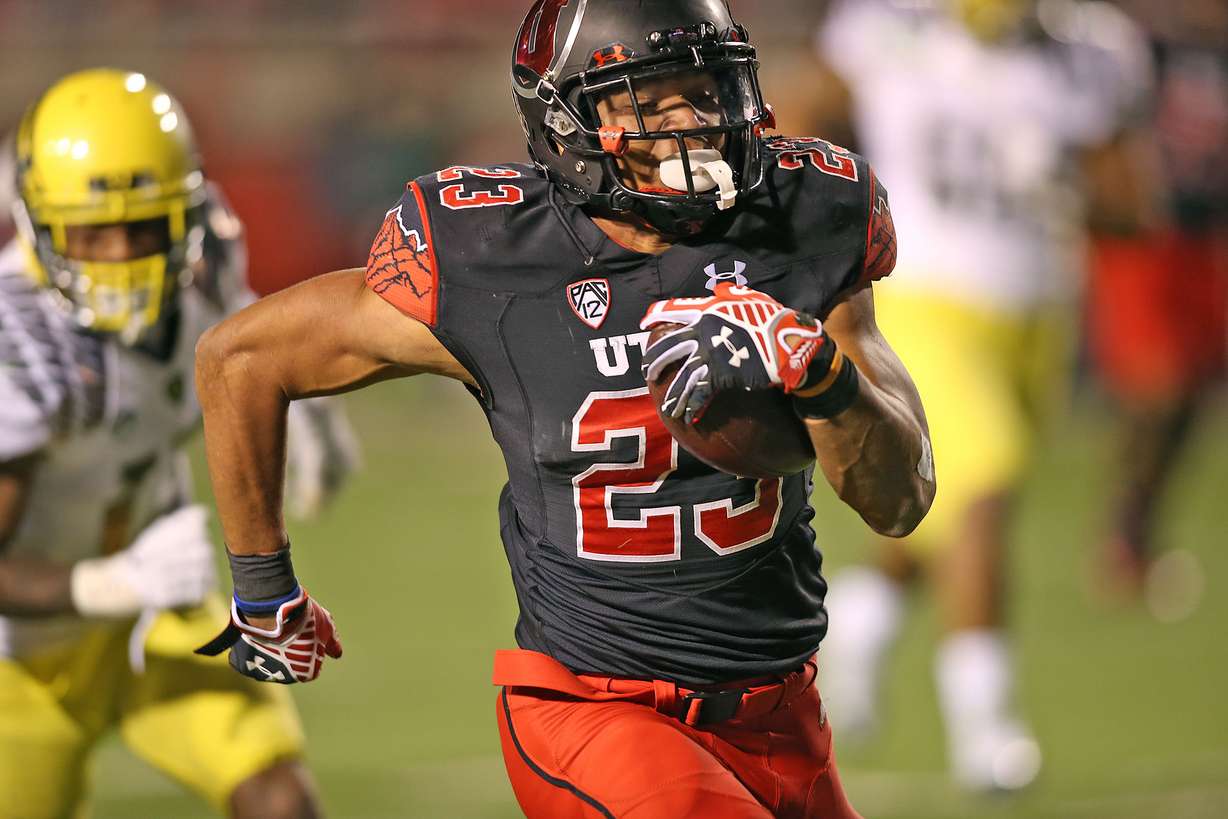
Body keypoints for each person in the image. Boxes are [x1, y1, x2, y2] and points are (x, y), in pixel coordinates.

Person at [193, 2, 934, 816]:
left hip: (783, 710)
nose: (697, 124)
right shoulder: (494, 256)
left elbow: (902, 500)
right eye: (652, 103)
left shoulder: (803, 220)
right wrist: (264, 587)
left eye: (709, 89)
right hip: (597, 710)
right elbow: (243, 359)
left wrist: (817, 370)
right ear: (567, 119)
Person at [808, 0, 1157, 792]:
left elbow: (1137, 204)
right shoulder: (884, 34)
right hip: (925, 303)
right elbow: (795, 130)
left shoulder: (1092, 51)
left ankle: (853, 630)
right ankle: (986, 728)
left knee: (943, 501)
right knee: (983, 497)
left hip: (1038, 312)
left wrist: (1062, 180)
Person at [0, 68, 358, 818]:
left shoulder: (204, 259)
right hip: (21, 660)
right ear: (35, 223)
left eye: (146, 226)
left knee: (280, 798)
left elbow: (245, 322)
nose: (121, 255)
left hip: (158, 615)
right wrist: (106, 583)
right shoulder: (16, 341)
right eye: (89, 232)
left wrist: (311, 413)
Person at [1086, 0, 1228, 601]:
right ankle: (1122, 540)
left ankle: (1135, 537)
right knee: (1159, 385)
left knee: (1192, 394)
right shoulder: (1134, 47)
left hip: (1207, 238)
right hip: (1145, 240)